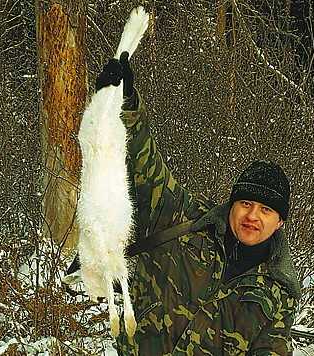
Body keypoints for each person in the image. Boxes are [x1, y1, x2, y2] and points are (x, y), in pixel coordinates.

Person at [92, 52, 302, 355]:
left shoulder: (278, 291)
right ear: (231, 204)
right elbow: (145, 163)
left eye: (266, 210)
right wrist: (122, 104)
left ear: (279, 221)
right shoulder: (182, 218)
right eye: (245, 203)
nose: (252, 216)